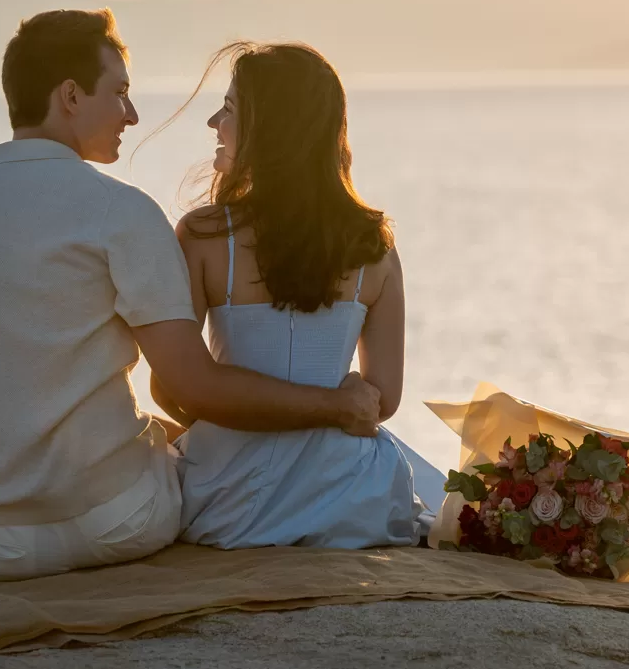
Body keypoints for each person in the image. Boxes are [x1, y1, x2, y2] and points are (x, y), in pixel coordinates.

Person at [0, 10, 383, 585]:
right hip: (112, 527)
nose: (132, 114)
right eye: (121, 93)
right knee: (173, 455)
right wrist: (335, 405)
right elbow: (190, 386)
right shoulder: (121, 211)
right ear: (71, 96)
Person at [155, 42, 443, 548]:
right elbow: (382, 399)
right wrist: (328, 408)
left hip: (229, 503)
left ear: (268, 130)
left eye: (227, 109)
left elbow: (170, 388)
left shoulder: (201, 236)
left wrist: (237, 417)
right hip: (352, 498)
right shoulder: (374, 246)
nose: (213, 124)